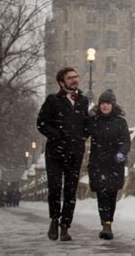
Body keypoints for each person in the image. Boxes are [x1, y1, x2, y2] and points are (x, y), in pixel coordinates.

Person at [37, 67, 89, 241]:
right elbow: (41, 123)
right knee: (54, 187)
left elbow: (86, 122)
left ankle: (65, 225)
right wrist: (57, 136)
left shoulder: (83, 100)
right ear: (62, 82)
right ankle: (54, 220)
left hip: (75, 153)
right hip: (55, 153)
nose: (75, 80)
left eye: (76, 76)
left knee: (70, 190)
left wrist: (85, 134)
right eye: (70, 77)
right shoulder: (53, 100)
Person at [88, 90, 130, 240]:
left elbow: (125, 140)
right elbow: (82, 132)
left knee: (111, 194)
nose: (105, 106)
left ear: (113, 105)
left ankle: (108, 222)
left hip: (114, 164)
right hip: (98, 163)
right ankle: (105, 224)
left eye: (107, 103)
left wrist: (121, 153)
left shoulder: (120, 122)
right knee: (101, 194)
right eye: (102, 103)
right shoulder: (94, 121)